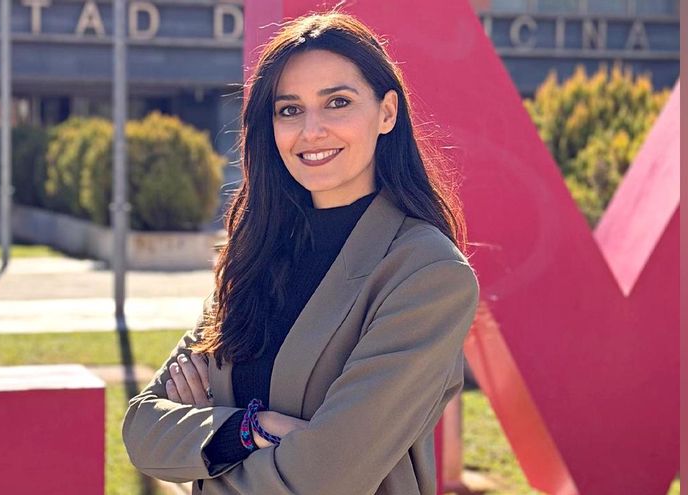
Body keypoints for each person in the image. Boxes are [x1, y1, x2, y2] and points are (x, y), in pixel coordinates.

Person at [122, 10, 480, 495]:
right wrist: (248, 429)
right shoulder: (256, 253)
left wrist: (203, 450)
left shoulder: (427, 273)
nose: (311, 131)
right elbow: (143, 428)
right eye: (289, 109)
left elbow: (324, 478)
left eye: (337, 102)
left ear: (387, 113)